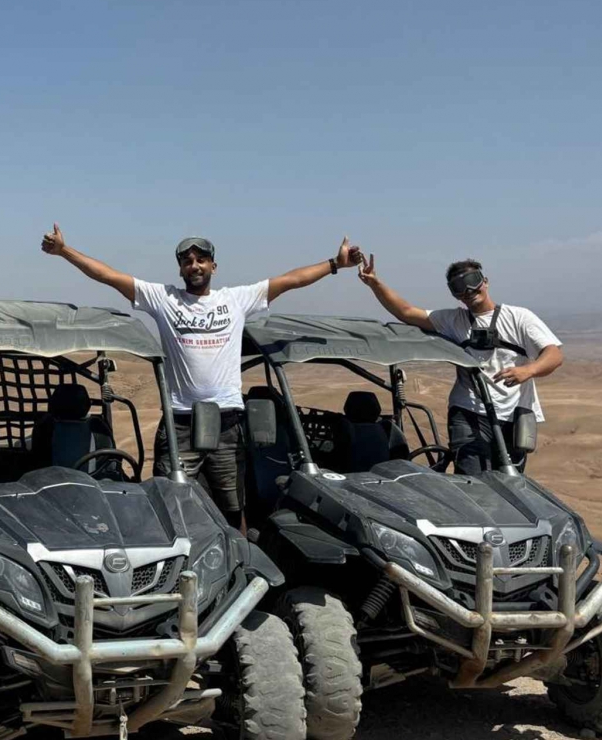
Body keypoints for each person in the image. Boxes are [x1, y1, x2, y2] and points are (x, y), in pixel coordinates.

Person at [41, 225, 362, 528]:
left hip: (227, 424)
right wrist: (65, 251)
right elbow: (109, 276)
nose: (194, 265)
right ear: (180, 269)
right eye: (187, 261)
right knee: (171, 504)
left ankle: (239, 563)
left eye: (201, 260)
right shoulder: (164, 299)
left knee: (233, 506)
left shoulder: (235, 300)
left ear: (213, 266)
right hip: (180, 423)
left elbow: (291, 280)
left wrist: (335, 263)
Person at [357, 254, 563, 475]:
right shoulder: (454, 320)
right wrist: (375, 284)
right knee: (471, 479)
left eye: (473, 281)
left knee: (509, 482)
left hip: (514, 415)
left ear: (485, 281)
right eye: (458, 287)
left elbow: (554, 354)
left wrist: (528, 370)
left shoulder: (519, 318)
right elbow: (406, 312)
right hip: (469, 412)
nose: (468, 290)